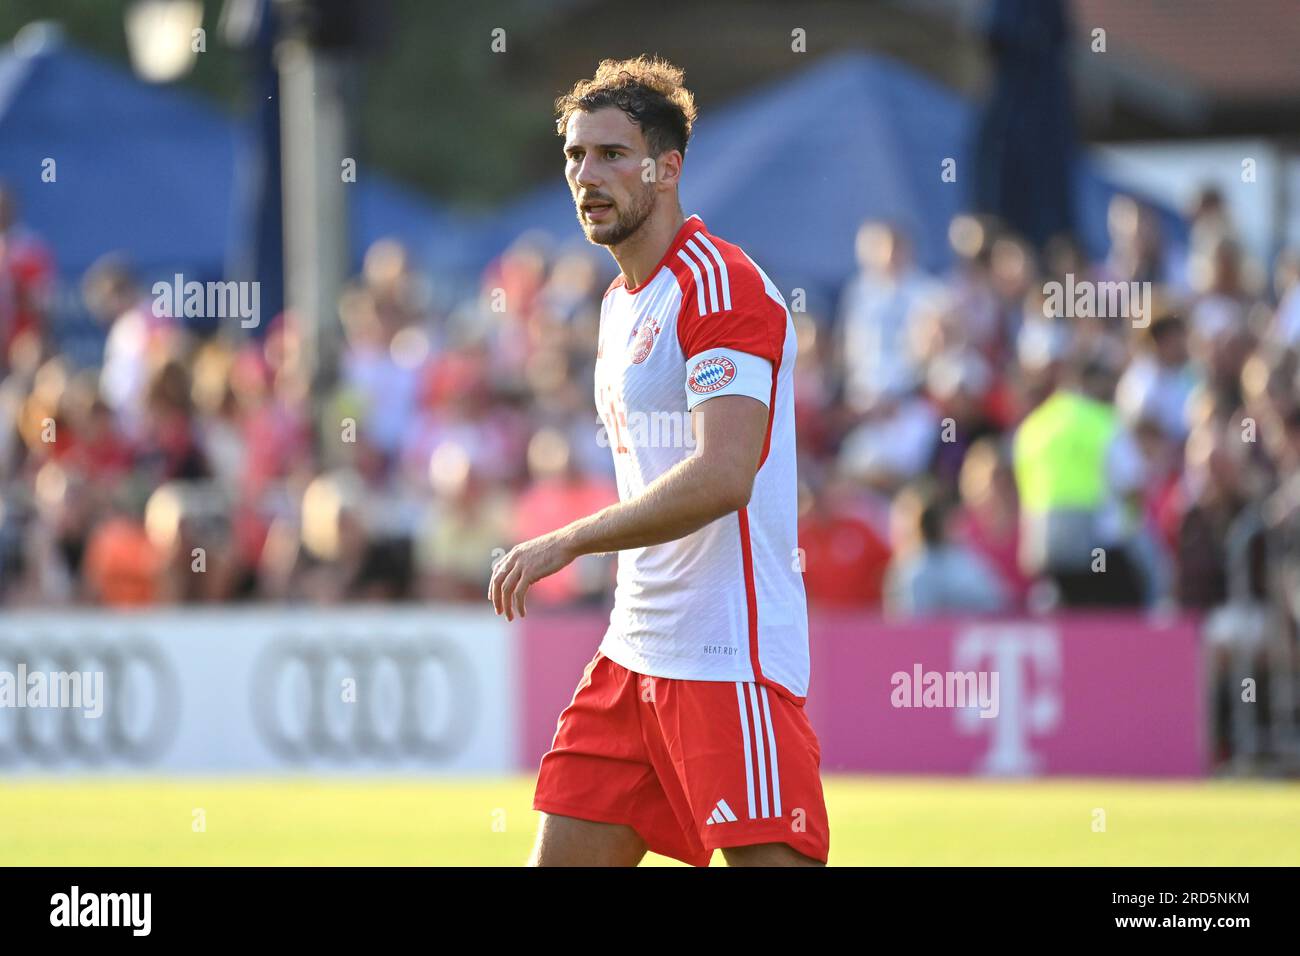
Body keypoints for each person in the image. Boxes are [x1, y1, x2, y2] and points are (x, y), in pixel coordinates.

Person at [486, 56, 828, 867]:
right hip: (633, 653)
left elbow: (723, 473)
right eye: (574, 156)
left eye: (610, 154)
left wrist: (569, 540)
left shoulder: (722, 285)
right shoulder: (616, 305)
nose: (586, 175)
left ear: (667, 167)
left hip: (725, 660)